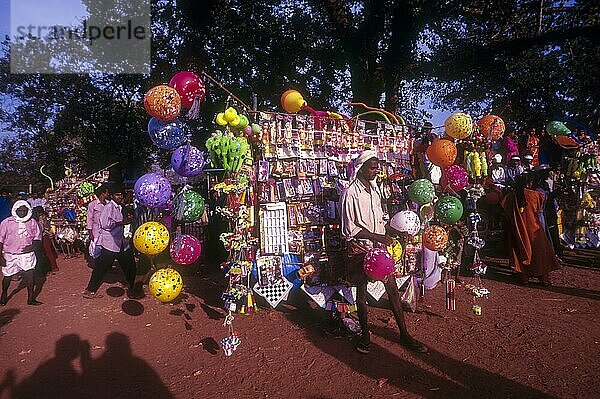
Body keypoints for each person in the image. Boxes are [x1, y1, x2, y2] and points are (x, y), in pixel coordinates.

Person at [340, 150, 427, 354]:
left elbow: (380, 223)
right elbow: (349, 230)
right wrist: (378, 238)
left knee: (393, 290)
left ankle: (405, 335)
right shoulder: (350, 193)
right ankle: (365, 336)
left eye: (377, 166)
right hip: (360, 249)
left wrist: (395, 232)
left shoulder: (375, 190)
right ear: (361, 168)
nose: (376, 170)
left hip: (378, 249)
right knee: (361, 294)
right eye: (372, 167)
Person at [500, 173, 561, 286]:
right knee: (540, 252)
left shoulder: (511, 196)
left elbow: (505, 211)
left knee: (520, 251)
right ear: (530, 183)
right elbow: (539, 209)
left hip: (518, 228)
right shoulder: (536, 195)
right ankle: (544, 279)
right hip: (534, 228)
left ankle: (524, 278)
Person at [82, 186, 137, 299]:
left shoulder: (120, 207)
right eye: (117, 195)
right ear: (112, 196)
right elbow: (105, 224)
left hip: (119, 242)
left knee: (129, 265)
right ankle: (90, 290)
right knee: (101, 268)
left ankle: (132, 288)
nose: (120, 197)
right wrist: (120, 223)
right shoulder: (109, 207)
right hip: (110, 243)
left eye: (121, 195)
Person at [0, 200, 43, 305]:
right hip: (10, 254)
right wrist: (0, 256)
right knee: (7, 277)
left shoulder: (32, 222)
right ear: (16, 210)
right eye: (20, 210)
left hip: (27, 254)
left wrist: (32, 247)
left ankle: (31, 298)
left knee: (30, 275)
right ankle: (4, 294)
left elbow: (38, 238)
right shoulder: (6, 222)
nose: (23, 213)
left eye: (25, 210)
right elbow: (0, 240)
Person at [86, 185, 109, 262]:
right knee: (97, 250)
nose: (108, 194)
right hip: (96, 232)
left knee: (107, 250)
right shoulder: (92, 205)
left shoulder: (109, 204)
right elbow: (89, 219)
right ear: (102, 194)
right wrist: (90, 233)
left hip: (107, 232)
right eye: (106, 193)